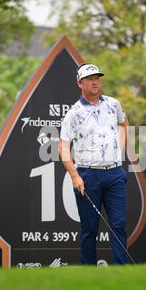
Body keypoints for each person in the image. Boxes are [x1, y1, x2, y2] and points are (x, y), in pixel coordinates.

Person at [59, 63, 129, 265]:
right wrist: (74, 175)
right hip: (88, 175)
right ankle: (88, 271)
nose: (95, 82)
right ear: (80, 83)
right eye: (90, 79)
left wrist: (120, 150)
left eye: (97, 78)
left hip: (115, 173)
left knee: (119, 224)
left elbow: (124, 122)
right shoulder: (74, 113)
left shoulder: (113, 104)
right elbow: (63, 148)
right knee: (89, 228)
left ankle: (121, 270)